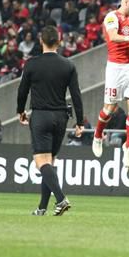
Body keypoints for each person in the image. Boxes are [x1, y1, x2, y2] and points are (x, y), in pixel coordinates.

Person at [17, 26, 84, 216]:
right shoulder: (68, 65)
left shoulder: (31, 64)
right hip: (61, 117)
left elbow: (22, 90)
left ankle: (61, 199)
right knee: (50, 162)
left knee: (41, 162)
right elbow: (76, 95)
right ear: (59, 42)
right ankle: (42, 208)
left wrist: (20, 111)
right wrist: (80, 121)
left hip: (40, 115)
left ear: (41, 41)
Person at [92, 0, 129, 166]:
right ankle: (98, 135)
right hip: (116, 68)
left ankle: (128, 147)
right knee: (109, 109)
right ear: (126, 1)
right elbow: (113, 37)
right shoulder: (112, 17)